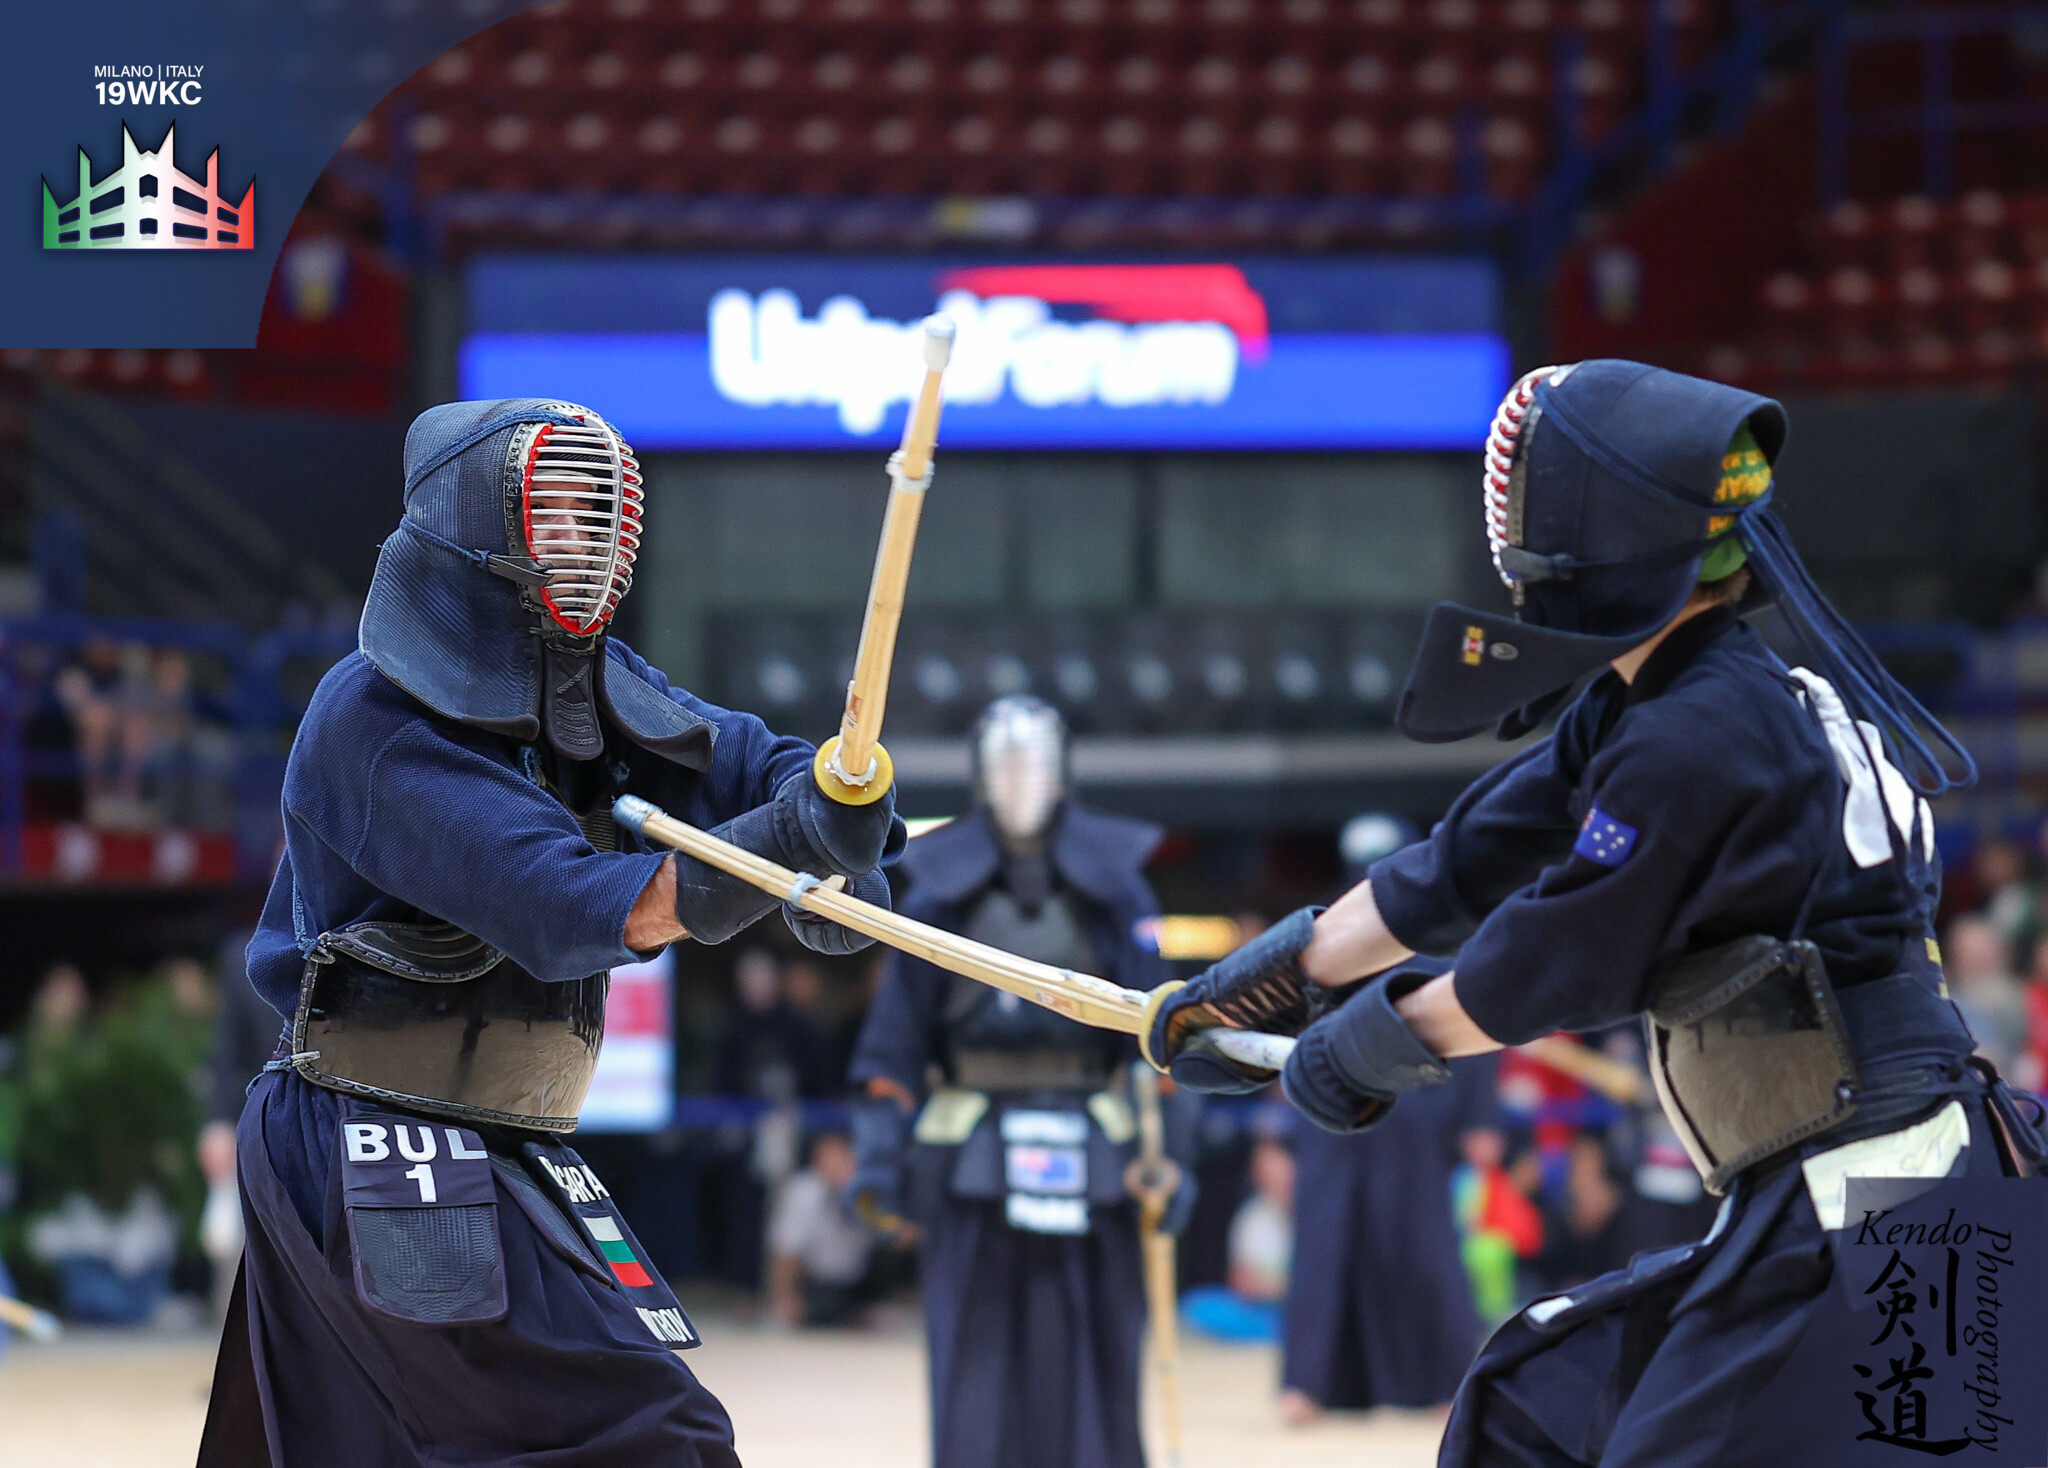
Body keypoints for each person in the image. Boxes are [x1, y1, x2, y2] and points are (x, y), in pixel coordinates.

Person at [1148, 361, 2041, 1467]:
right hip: (1841, 1175)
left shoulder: (1696, 732)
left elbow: (1560, 956)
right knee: (1531, 1413)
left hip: (1891, 1176)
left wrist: (1361, 1051)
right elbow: (1456, 867)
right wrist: (1271, 982)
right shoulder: (1662, 697)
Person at [197, 399, 901, 1467]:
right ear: (476, 528)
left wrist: (840, 837)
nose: (584, 547)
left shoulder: (587, 685)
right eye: (555, 518)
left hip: (510, 1134)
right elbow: (569, 907)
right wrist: (779, 852)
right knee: (650, 1440)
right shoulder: (373, 722)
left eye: (594, 519)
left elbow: (752, 760)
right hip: (375, 1133)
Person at [848, 695, 1191, 1468]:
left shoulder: (1118, 890)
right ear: (978, 776)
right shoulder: (937, 889)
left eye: (1032, 763)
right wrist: (879, 1159)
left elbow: (1161, 1037)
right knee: (976, 1342)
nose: (1019, 782)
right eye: (1004, 764)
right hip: (973, 1133)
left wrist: (1174, 1154)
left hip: (1098, 1134)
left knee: (1099, 1336)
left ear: (1061, 771)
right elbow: (892, 1049)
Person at [1279, 1052, 1499, 1422]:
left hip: (1419, 1087)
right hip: (1331, 1077)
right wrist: (1275, 1131)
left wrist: (1480, 1113)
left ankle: (1444, 1384)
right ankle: (1310, 1383)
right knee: (1324, 1244)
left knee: (1425, 1246)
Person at [765, 1130, 894, 1328]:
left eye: (841, 1158)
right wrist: (786, 1298)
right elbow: (785, 1250)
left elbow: (899, 1238)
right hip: (818, 1279)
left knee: (887, 1252)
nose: (834, 1166)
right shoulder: (802, 1192)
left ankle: (873, 1307)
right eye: (827, 1159)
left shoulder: (867, 1190)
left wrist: (857, 1200)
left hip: (861, 1277)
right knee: (822, 1314)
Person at [1180, 1136, 1293, 1345]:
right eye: (1267, 1175)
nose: (1276, 1182)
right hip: (1265, 1311)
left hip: (1306, 1311)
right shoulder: (1253, 1216)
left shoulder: (1320, 1216)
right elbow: (1240, 1282)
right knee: (1196, 1305)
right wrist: (1283, 1287)